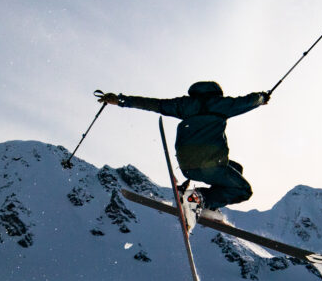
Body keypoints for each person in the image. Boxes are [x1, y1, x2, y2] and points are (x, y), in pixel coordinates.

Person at [99, 81, 269, 231]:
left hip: (187, 167)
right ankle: (198, 199)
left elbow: (154, 104)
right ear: (217, 93)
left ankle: (205, 204)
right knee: (243, 190)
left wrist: (121, 100)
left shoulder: (184, 104)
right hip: (211, 165)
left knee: (236, 169)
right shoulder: (222, 104)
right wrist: (262, 97)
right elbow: (247, 101)